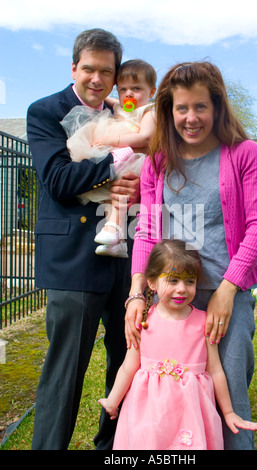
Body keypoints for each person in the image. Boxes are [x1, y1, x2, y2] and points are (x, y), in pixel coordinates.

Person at [124, 62, 257, 450]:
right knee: (171, 389)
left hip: (228, 293)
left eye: (201, 107)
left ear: (217, 106)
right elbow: (147, 231)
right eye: (181, 108)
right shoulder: (157, 162)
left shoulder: (244, 154)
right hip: (172, 297)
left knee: (230, 388)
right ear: (169, 111)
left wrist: (228, 289)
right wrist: (138, 292)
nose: (191, 118)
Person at [26, 28, 140, 450]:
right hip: (73, 260)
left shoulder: (124, 114)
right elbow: (57, 180)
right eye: (88, 69)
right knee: (64, 373)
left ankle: (114, 448)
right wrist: (117, 157)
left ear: (115, 76)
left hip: (128, 260)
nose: (96, 79)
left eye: (105, 72)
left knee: (127, 361)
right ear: (74, 67)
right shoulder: (45, 112)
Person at [99, 239, 257, 450]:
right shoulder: (144, 321)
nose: (182, 289)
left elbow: (216, 370)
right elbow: (128, 366)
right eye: (173, 281)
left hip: (191, 412)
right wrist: (113, 401)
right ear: (151, 282)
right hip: (149, 411)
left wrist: (229, 412)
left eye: (190, 282)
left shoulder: (204, 322)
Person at [60, 59, 156, 258]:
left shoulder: (149, 111)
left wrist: (114, 139)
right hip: (118, 158)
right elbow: (107, 100)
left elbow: (145, 137)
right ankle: (117, 239)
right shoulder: (122, 106)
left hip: (136, 157)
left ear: (152, 92)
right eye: (123, 89)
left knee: (121, 190)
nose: (128, 94)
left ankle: (113, 228)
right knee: (109, 193)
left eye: (136, 88)